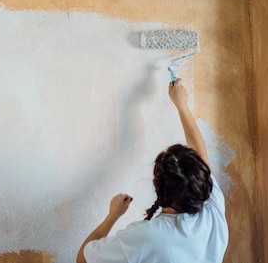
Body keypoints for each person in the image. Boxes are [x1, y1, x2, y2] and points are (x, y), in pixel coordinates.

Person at [76, 78, 229, 263]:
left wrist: (112, 216)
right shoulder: (212, 208)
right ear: (201, 181)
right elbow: (200, 152)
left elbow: (82, 259)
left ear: (155, 184)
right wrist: (182, 106)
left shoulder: (148, 237)